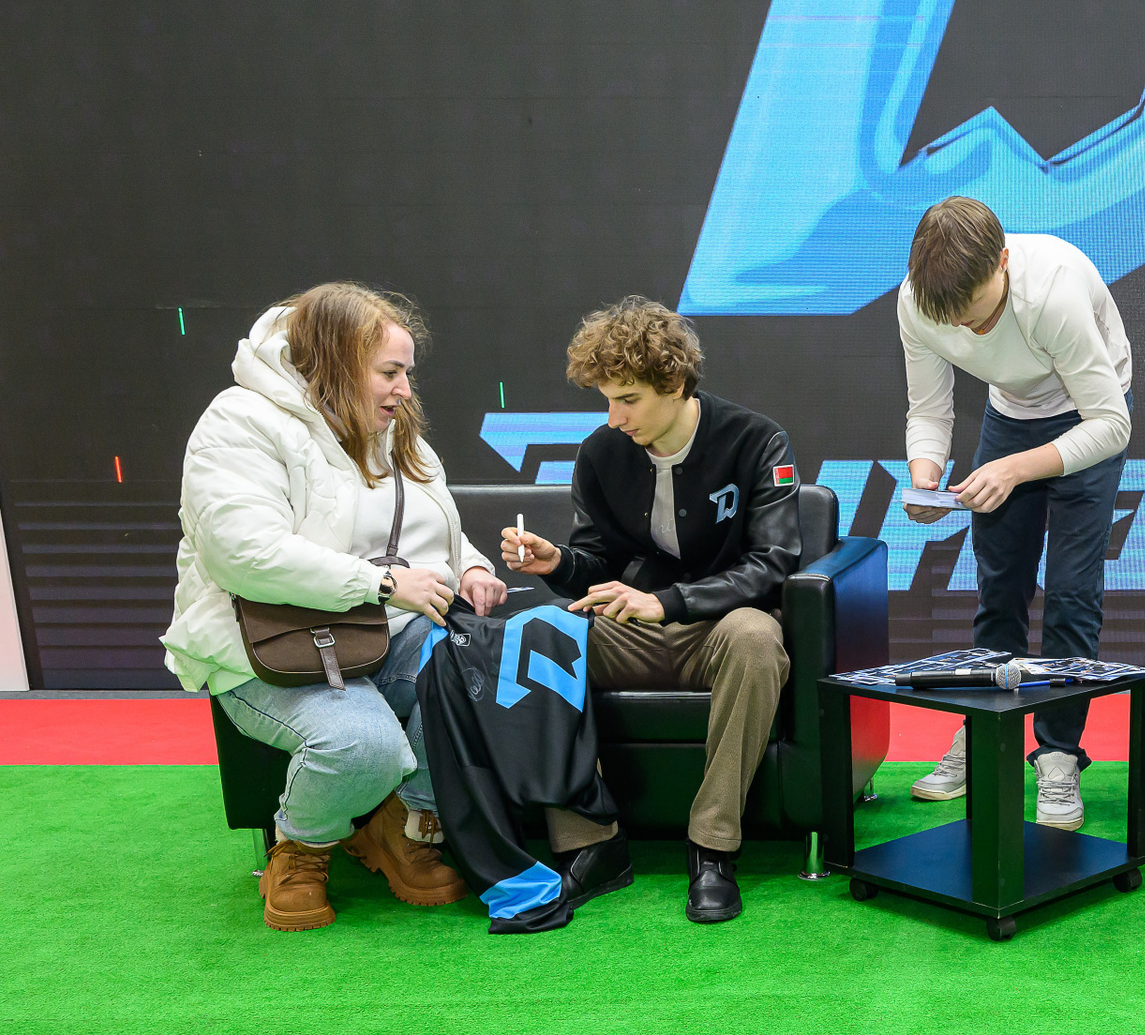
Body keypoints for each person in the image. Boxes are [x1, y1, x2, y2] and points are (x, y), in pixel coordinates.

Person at [163, 284, 508, 931]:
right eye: (390, 372)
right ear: (338, 361)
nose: (405, 389)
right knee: (363, 746)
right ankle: (300, 846)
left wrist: (471, 566)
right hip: (268, 645)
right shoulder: (239, 421)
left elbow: (431, 524)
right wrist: (382, 585)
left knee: (485, 670)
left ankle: (404, 824)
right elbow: (245, 555)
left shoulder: (390, 428)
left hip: (380, 630)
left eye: (407, 372)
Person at [504, 297, 800, 924]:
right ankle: (590, 846)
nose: (614, 418)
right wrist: (555, 562)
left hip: (720, 627)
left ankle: (712, 850)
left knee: (756, 637)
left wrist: (668, 603)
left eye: (628, 400)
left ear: (675, 384)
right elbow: (596, 563)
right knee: (539, 632)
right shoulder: (601, 453)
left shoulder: (757, 440)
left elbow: (772, 564)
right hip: (632, 629)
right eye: (607, 401)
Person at [896, 198, 1132, 829]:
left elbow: (1111, 425)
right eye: (952, 317)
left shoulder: (1053, 292)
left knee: (1072, 594)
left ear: (1002, 262)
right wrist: (925, 476)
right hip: (1011, 414)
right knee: (999, 587)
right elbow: (929, 409)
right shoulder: (918, 301)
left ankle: (1057, 755)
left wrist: (1015, 469)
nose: (966, 328)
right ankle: (983, 738)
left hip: (1089, 414)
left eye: (977, 311)